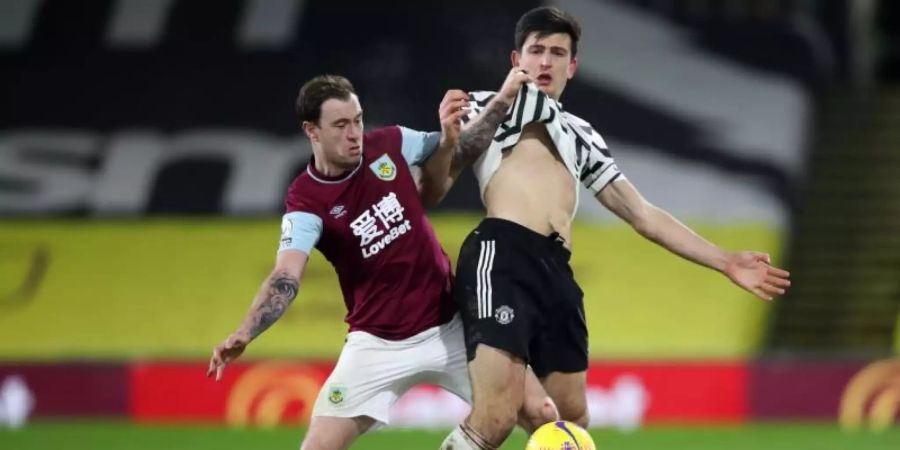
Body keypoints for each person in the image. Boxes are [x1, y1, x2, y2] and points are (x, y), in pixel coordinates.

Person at [434, 7, 793, 449]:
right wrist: (500, 101)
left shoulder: (582, 134)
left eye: (557, 53)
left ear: (573, 66)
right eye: (537, 51)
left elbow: (641, 213)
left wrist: (725, 260)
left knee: (570, 420)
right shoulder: (486, 103)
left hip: (556, 269)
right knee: (494, 419)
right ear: (517, 60)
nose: (546, 62)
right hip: (502, 254)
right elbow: (456, 158)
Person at [206, 75, 556, 450]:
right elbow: (286, 274)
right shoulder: (305, 201)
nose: (354, 133)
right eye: (341, 125)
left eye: (357, 120)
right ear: (312, 131)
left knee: (543, 413)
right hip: (376, 343)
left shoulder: (390, 143)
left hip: (450, 325)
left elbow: (459, 147)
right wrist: (246, 331)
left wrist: (502, 98)